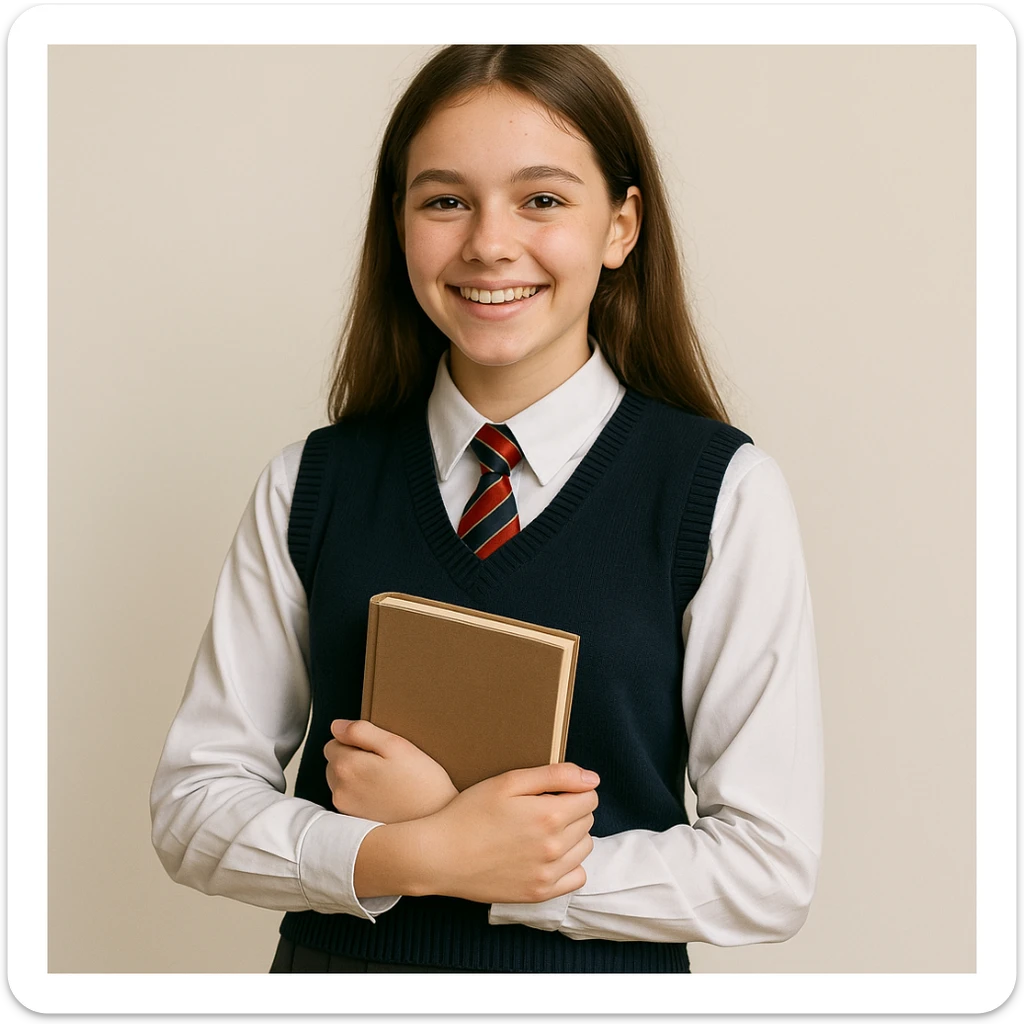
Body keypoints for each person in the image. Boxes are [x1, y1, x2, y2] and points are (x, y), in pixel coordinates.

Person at [150, 43, 824, 975]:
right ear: (400, 226)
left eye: (542, 199)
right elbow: (192, 808)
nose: (488, 243)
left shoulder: (721, 492)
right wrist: (415, 852)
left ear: (621, 226)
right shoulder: (311, 483)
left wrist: (485, 862)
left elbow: (767, 870)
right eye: (444, 200)